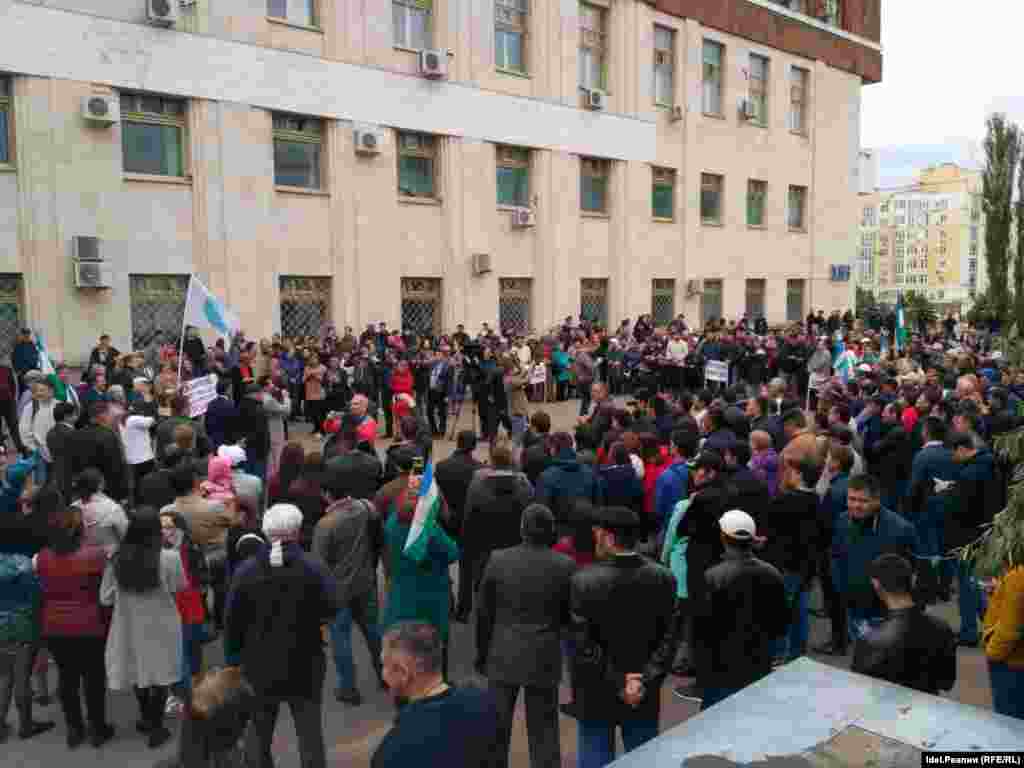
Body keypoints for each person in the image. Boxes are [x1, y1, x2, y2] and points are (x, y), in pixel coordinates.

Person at [225, 503, 339, 768]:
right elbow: (333, 606)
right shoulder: (314, 567)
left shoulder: (246, 571)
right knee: (309, 733)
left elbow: (232, 621)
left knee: (259, 733)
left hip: (258, 666)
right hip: (306, 662)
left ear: (266, 533)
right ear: (297, 532)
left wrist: (233, 661)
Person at [568, 505, 679, 768]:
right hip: (643, 690)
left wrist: (619, 680)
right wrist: (643, 679)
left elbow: (583, 645)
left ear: (608, 537)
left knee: (595, 756)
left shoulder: (583, 580)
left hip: (596, 690)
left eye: (597, 534)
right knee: (643, 759)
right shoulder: (663, 577)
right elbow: (670, 638)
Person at [476, 504, 574, 768]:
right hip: (544, 656)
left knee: (496, 730)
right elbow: (569, 616)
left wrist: (482, 654)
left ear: (522, 529)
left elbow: (484, 612)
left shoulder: (498, 559)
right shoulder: (565, 565)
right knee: (544, 732)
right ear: (551, 531)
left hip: (503, 654)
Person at [102, 507, 184, 749]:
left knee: (139, 671)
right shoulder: (169, 558)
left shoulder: (117, 560)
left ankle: (147, 718)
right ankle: (156, 727)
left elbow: (105, 597)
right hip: (162, 623)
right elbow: (179, 587)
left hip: (128, 624)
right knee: (161, 674)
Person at [33, 493, 110, 749]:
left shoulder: (43, 557)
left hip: (55, 625)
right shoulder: (96, 556)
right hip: (90, 624)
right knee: (93, 678)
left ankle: (74, 728)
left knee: (67, 678)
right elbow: (104, 591)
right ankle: (97, 728)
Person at [691, 510, 787, 709]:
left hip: (720, 666)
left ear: (723, 537)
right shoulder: (773, 573)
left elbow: (701, 630)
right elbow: (780, 623)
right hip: (758, 660)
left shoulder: (712, 576)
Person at [372, 621, 501, 768]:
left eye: (384, 665)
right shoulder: (486, 704)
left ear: (404, 673)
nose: (383, 675)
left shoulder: (392, 751)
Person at [313, 466, 384, 707]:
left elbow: (319, 566)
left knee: (341, 638)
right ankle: (385, 674)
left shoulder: (325, 525)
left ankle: (349, 687)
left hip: (338, 591)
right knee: (373, 631)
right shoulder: (365, 508)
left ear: (327, 494)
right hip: (365, 583)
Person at [380, 471, 459, 679]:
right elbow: (453, 553)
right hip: (430, 598)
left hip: (401, 597)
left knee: (405, 651)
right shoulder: (428, 529)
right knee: (433, 651)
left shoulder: (392, 522)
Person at [851, 554, 956, 695]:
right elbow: (947, 683)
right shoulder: (942, 628)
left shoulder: (868, 639)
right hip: (926, 705)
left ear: (876, 584)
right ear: (912, 580)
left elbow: (860, 687)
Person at [835, 474, 919, 643]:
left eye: (863, 501)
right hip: (855, 611)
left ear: (876, 500)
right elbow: (838, 558)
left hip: (887, 615)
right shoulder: (842, 521)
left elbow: (914, 574)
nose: (856, 505)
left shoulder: (901, 530)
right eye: (852, 499)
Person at [759, 455, 822, 663]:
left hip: (785, 563)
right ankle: (797, 652)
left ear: (799, 475)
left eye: (792, 471)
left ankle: (777, 652)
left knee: (780, 609)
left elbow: (769, 531)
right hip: (806, 564)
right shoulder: (816, 500)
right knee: (799, 608)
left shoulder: (784, 501)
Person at [0, 539, 54, 742]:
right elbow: (39, 595)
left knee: (4, 677)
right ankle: (26, 724)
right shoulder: (24, 564)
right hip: (23, 626)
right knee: (22, 677)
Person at [434, 431, 485, 622]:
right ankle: (464, 610)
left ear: (457, 443)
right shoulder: (480, 469)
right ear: (474, 446)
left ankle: (447, 604)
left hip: (446, 521)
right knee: (467, 569)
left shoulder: (441, 466)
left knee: (442, 565)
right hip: (469, 523)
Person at [983, 558, 1024, 720]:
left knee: (1009, 726)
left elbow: (1010, 630)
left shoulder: (1018, 575)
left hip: (1012, 665)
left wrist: (992, 652)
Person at [68, 401, 130, 503]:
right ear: (103, 416)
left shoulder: (76, 434)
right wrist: (122, 493)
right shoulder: (108, 435)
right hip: (106, 488)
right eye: (109, 414)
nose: (112, 417)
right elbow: (115, 466)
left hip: (84, 487)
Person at [72, 468, 129, 555]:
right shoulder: (112, 508)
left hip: (80, 557)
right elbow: (125, 535)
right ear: (100, 485)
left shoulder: (73, 508)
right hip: (108, 558)